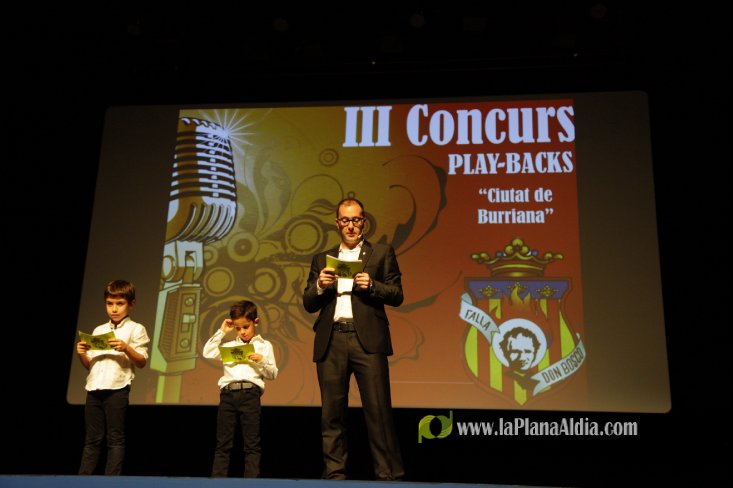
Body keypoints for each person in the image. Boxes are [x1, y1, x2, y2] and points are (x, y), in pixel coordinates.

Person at [303, 197, 404, 481]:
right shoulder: (322, 259)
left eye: (356, 219)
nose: (351, 225)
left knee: (378, 411)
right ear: (337, 223)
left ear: (364, 222)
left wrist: (372, 285)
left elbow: (397, 294)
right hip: (332, 339)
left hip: (367, 340)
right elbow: (308, 303)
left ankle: (389, 475)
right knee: (331, 414)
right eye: (345, 220)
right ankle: (334, 476)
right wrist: (320, 286)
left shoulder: (380, 253)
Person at [76, 279, 150, 475]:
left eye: (120, 303)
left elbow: (142, 361)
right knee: (92, 439)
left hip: (117, 388)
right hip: (94, 388)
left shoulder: (136, 328)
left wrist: (126, 348)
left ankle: (111, 482)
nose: (114, 309)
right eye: (110, 303)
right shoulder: (99, 330)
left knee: (115, 438)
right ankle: (82, 481)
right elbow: (90, 365)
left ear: (131, 304)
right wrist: (82, 353)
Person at [203, 300, 278, 478]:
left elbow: (273, 373)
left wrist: (262, 360)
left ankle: (251, 483)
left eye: (246, 327)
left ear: (255, 322)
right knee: (223, 443)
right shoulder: (229, 346)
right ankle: (217, 482)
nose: (242, 332)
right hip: (228, 395)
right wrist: (222, 331)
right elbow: (207, 352)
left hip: (250, 394)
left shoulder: (264, 346)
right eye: (238, 328)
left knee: (252, 443)